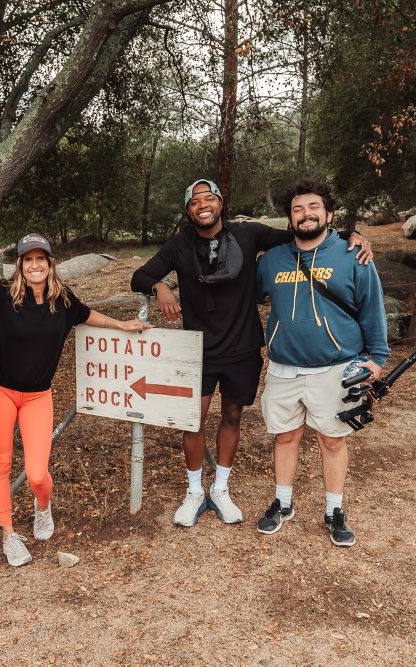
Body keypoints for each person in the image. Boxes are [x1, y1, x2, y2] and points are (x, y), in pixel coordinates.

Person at [131, 178, 372, 527]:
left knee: (232, 416)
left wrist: (354, 234)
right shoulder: (180, 245)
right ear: (188, 210)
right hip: (196, 350)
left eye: (209, 198)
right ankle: (194, 491)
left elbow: (303, 232)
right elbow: (139, 276)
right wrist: (160, 287)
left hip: (242, 348)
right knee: (192, 420)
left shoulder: (248, 234)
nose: (203, 204)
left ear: (220, 203)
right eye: (195, 200)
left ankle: (221, 489)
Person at [0, 232, 150, 567]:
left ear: (50, 263)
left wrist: (121, 324)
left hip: (38, 396)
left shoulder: (63, 300)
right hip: (1, 392)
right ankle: (8, 534)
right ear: (20, 264)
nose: (35, 265)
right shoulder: (0, 295)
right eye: (28, 259)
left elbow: (87, 314)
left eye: (41, 259)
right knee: (2, 465)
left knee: (37, 474)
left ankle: (42, 506)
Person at [254, 177, 390, 547]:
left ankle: (334, 510)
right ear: (290, 218)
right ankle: (283, 503)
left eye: (314, 207)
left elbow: (371, 306)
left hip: (335, 367)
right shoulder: (274, 260)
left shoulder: (353, 255)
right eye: (298, 209)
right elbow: (243, 296)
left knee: (332, 440)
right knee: (285, 436)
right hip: (283, 368)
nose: (306, 214)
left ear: (329, 213)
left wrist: (377, 358)